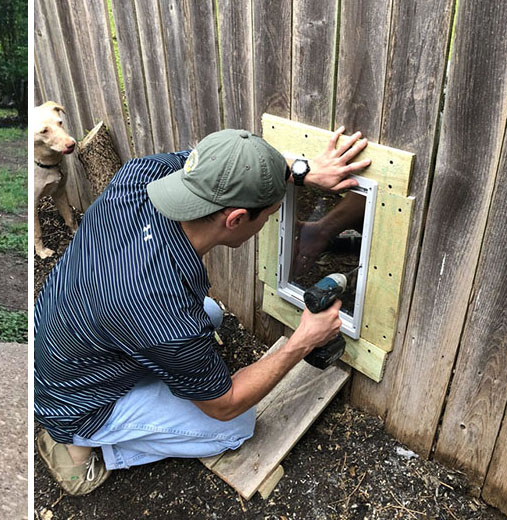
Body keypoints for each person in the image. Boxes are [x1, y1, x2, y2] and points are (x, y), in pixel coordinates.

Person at [34, 127, 371, 495]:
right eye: (271, 214)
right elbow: (225, 405)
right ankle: (83, 445)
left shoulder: (138, 177)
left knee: (208, 313)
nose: (273, 222)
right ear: (236, 219)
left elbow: (220, 165)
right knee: (236, 425)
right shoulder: (161, 310)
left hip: (57, 338)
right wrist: (302, 341)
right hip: (74, 399)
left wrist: (302, 170)